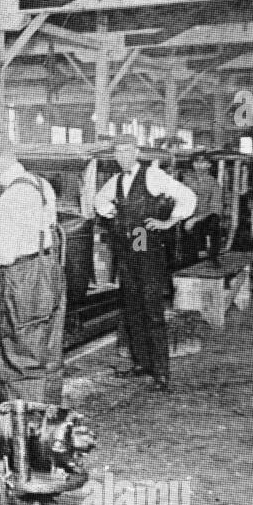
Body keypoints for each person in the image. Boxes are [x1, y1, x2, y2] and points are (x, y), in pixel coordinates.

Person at [0, 134, 65, 407]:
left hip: (22, 282)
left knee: (19, 359)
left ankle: (24, 435)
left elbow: (3, 256)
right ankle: (49, 426)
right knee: (47, 356)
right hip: (48, 271)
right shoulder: (40, 184)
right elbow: (39, 226)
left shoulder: (12, 197)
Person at [93, 140, 196, 391]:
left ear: (136, 153)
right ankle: (140, 363)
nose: (122, 157)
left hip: (148, 253)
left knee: (152, 310)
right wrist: (113, 214)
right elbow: (99, 202)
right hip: (127, 253)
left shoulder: (153, 174)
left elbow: (187, 196)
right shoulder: (116, 180)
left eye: (127, 151)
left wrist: (169, 221)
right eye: (118, 152)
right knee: (132, 309)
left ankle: (161, 372)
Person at [181, 154, 224, 267]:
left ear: (209, 165)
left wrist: (195, 219)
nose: (199, 165)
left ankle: (213, 257)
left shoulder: (213, 183)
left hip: (205, 218)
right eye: (196, 162)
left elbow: (215, 207)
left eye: (203, 162)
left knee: (214, 221)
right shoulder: (186, 179)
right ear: (193, 164)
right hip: (187, 215)